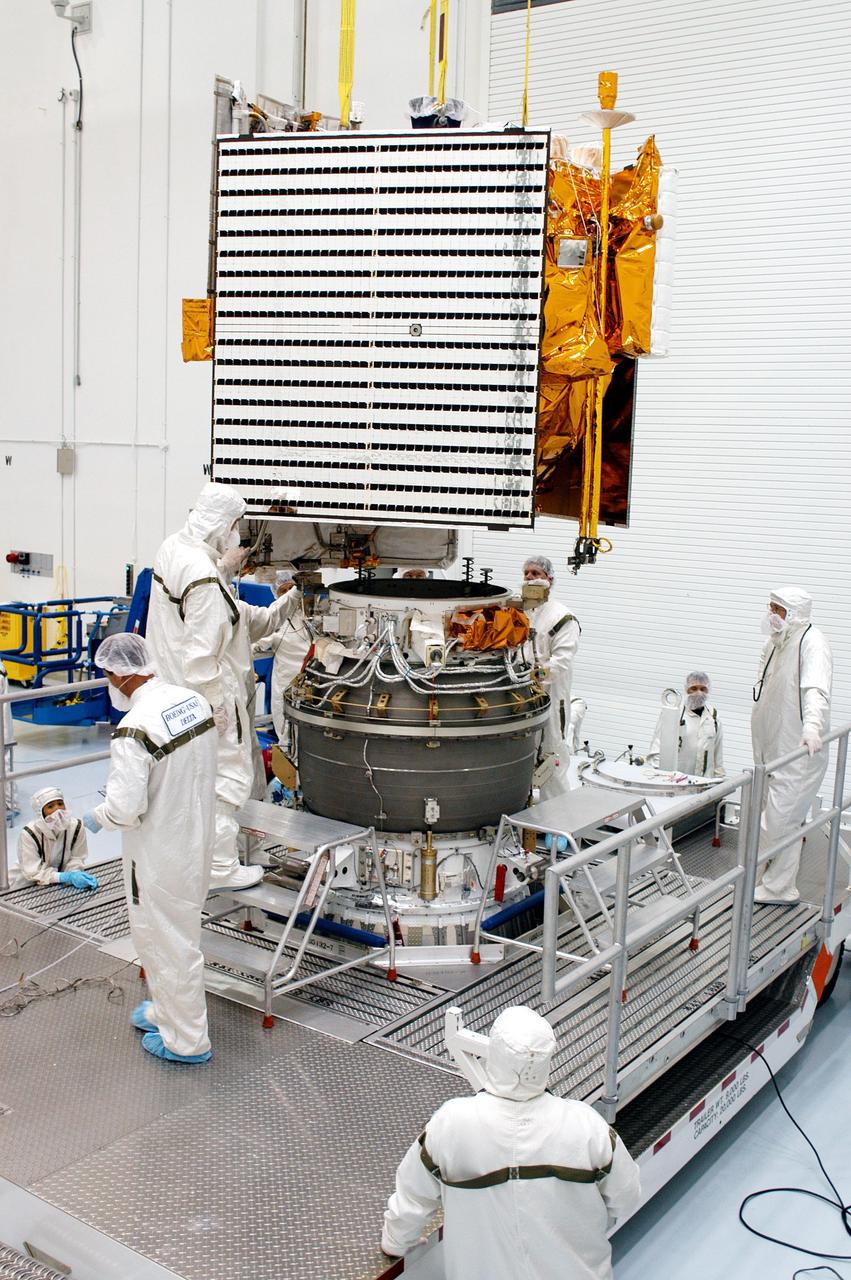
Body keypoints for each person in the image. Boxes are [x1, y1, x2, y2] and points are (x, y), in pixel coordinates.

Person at [381, 1005, 640, 1280]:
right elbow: (627, 1200)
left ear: (495, 1054)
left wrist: (394, 1243)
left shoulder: (451, 1123)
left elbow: (412, 1201)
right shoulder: (588, 1127)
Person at [146, 482, 298, 889]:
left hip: (173, 695)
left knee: (194, 785)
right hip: (208, 699)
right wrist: (218, 713)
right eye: (237, 527)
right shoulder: (205, 579)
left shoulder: (176, 549)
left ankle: (200, 858)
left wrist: (287, 598)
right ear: (225, 524)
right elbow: (201, 657)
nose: (239, 536)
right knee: (226, 780)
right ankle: (220, 868)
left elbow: (241, 618)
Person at [83, 633, 217, 1064]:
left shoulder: (133, 730)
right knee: (179, 935)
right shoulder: (189, 701)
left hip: (159, 854)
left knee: (166, 944)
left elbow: (125, 810)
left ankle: (186, 1041)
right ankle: (167, 1012)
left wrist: (99, 815)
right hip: (196, 837)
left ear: (115, 675)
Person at [751, 587, 832, 904]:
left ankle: (781, 888)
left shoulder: (813, 643)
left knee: (780, 821)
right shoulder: (778, 642)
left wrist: (812, 726)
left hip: (798, 750)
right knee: (769, 818)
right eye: (769, 605)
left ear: (794, 613)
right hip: (772, 748)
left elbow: (815, 690)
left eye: (777, 608)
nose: (770, 613)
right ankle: (765, 880)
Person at [521, 555, 581, 799]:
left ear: (550, 580)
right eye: (527, 573)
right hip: (523, 696)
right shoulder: (522, 612)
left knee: (551, 756)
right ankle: (527, 816)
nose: (530, 578)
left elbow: (562, 660)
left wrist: (538, 675)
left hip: (551, 698)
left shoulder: (562, 617)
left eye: (536, 574)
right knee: (524, 757)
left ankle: (556, 820)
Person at [15, 786, 96, 890]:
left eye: (60, 804)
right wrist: (63, 877)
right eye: (50, 806)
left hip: (59, 886)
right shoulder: (29, 833)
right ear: (40, 812)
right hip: (26, 885)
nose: (58, 809)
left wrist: (74, 873)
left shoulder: (76, 826)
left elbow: (77, 857)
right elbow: (33, 872)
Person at [647, 671, 725, 779]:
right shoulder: (674, 713)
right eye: (693, 688)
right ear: (686, 689)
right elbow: (657, 750)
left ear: (708, 691)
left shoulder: (713, 717)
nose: (698, 693)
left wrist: (719, 783)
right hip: (675, 783)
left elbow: (718, 756)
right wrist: (662, 777)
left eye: (703, 689)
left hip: (703, 784)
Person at [268, 570, 312, 742]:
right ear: (275, 593)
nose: (287, 595)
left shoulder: (311, 611)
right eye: (282, 591)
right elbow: (260, 637)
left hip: (311, 677)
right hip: (286, 678)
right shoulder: (273, 615)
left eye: (290, 589)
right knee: (285, 725)